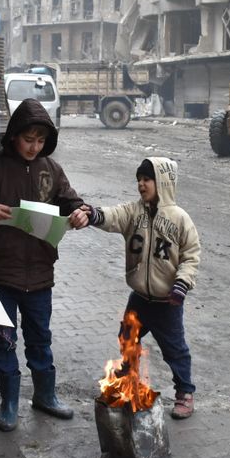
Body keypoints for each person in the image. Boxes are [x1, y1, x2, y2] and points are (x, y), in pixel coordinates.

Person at [0, 98, 90, 432]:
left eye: (40, 141)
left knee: (40, 338)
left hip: (40, 274)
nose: (34, 147)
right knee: (3, 339)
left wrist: (81, 212)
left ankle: (45, 395)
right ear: (13, 136)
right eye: (28, 139)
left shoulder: (51, 170)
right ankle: (9, 402)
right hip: (0, 276)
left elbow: (72, 200)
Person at [82, 157, 201, 419]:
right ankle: (129, 379)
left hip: (166, 303)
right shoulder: (134, 212)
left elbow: (191, 256)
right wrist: (93, 214)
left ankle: (185, 393)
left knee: (175, 350)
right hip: (138, 299)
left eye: (147, 179)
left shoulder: (180, 219)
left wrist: (182, 284)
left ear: (162, 182)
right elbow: (112, 216)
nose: (141, 184)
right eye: (139, 179)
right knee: (127, 339)